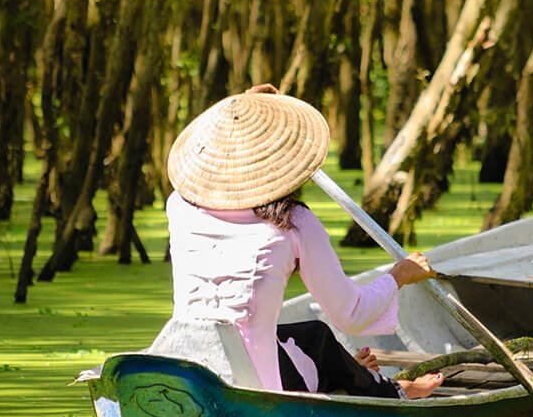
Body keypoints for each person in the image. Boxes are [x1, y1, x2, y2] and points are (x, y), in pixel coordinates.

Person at [162, 84, 444, 399]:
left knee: (312, 336)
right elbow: (351, 313)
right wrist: (400, 275)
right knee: (319, 338)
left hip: (184, 367)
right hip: (255, 386)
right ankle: (389, 390)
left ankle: (349, 371)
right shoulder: (294, 223)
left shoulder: (179, 206)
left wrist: (247, 109)